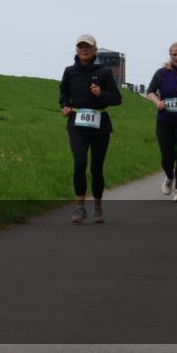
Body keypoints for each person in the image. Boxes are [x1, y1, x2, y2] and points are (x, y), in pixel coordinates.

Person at [60, 34, 123, 224]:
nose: (84, 50)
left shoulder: (104, 72)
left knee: (96, 167)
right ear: (76, 50)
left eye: (87, 47)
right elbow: (63, 93)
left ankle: (97, 205)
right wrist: (65, 106)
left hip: (99, 124)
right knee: (79, 163)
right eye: (80, 47)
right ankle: (80, 208)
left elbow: (117, 99)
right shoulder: (70, 71)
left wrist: (101, 93)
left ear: (95, 50)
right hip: (77, 123)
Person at [146, 42, 177, 202]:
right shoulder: (161, 73)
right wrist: (157, 102)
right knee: (167, 157)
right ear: (170, 55)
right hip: (165, 121)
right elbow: (150, 91)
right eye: (174, 54)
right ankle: (169, 176)